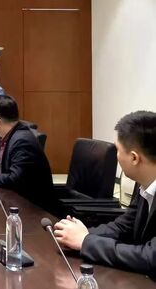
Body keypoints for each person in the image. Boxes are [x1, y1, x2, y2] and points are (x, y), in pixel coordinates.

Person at [54, 111, 156, 279]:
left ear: (134, 158)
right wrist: (81, 234)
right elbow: (124, 226)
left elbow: (150, 257)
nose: (116, 155)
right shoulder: (145, 182)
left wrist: (86, 242)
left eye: (118, 150)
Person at [0, 94, 55, 212]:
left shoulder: (22, 141)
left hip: (33, 209)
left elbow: (14, 180)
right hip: (14, 201)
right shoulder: (8, 136)